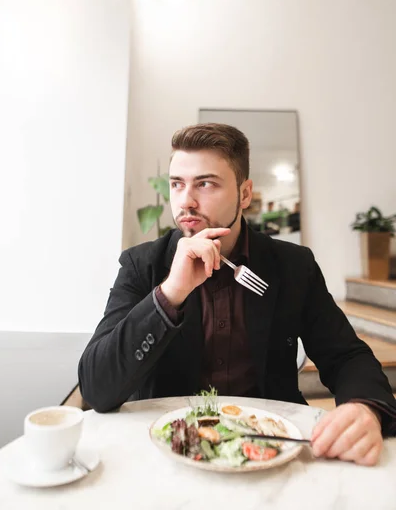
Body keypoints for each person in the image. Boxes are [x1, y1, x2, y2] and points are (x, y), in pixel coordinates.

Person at [79, 123, 396, 466]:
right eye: (177, 184)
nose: (186, 200)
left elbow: (347, 356)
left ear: (244, 194)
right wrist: (171, 293)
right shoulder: (142, 266)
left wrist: (365, 408)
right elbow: (97, 387)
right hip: (170, 451)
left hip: (270, 449)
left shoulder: (292, 266)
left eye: (205, 183)